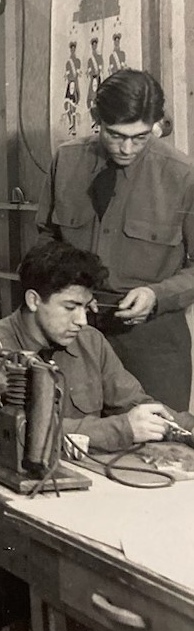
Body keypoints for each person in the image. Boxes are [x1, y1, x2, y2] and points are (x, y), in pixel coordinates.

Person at [37, 69, 194, 410]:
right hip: (75, 337)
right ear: (97, 119)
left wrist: (156, 295)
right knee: (71, 440)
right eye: (115, 135)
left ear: (155, 125)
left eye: (139, 138)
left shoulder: (182, 176)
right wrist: (69, 288)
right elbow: (46, 242)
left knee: (158, 451)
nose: (126, 148)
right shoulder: (66, 161)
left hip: (152, 348)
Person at [0, 241, 194, 452]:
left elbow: (137, 403)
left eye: (85, 306)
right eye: (70, 307)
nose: (81, 320)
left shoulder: (91, 341)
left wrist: (187, 428)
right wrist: (122, 429)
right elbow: (16, 432)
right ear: (34, 300)